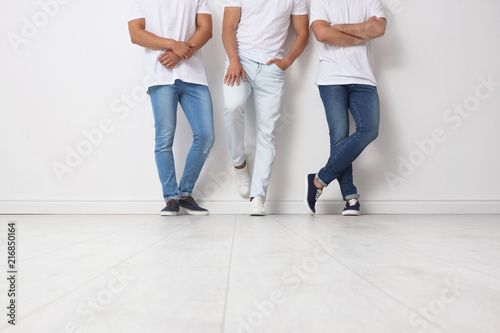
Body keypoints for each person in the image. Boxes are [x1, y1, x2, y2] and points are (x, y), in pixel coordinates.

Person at [127, 0, 215, 216]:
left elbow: (206, 29)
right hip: (160, 75)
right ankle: (171, 198)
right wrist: (173, 44)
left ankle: (185, 193)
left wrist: (179, 52)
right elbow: (136, 34)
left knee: (206, 136)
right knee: (164, 139)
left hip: (193, 75)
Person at [222, 0, 309, 216]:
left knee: (268, 133)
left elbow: (302, 33)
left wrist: (286, 62)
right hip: (240, 61)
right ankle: (239, 163)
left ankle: (258, 196)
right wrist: (234, 59)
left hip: (272, 68)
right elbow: (228, 28)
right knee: (233, 106)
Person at [305, 0, 387, 216]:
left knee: (369, 130)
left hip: (364, 78)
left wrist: (338, 28)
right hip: (331, 77)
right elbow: (322, 34)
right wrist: (362, 31)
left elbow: (379, 29)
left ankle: (319, 180)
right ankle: (351, 198)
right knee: (339, 137)